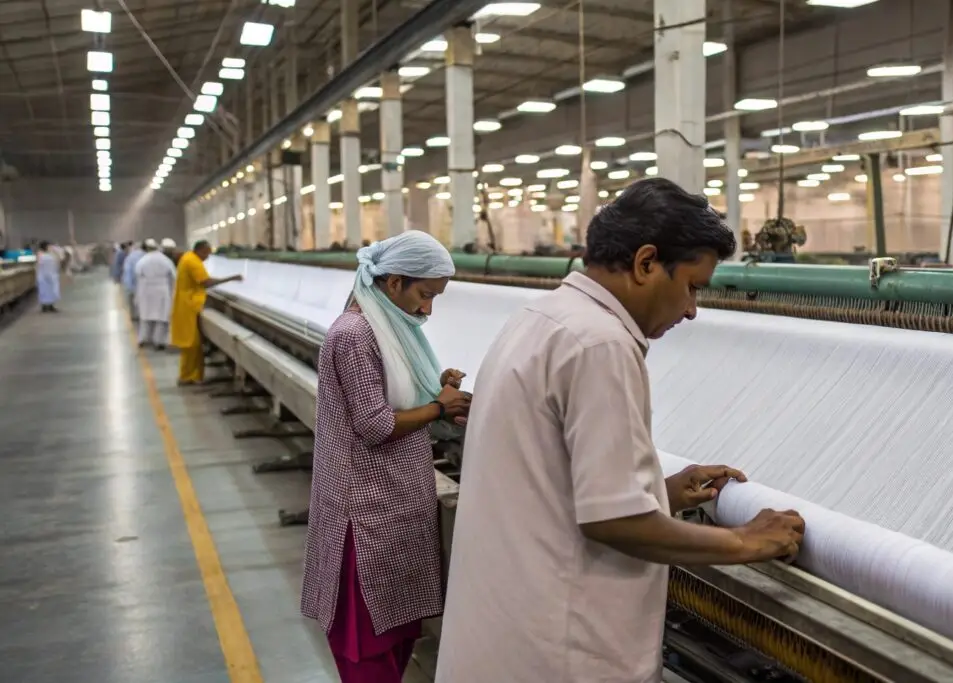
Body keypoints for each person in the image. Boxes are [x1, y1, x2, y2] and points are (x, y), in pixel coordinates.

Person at [435, 179, 806, 683]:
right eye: (692, 286)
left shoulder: (540, 317)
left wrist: (659, 491)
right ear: (646, 263)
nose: (692, 309)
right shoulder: (601, 345)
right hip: (561, 655)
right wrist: (745, 542)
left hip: (506, 638)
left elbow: (547, 484)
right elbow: (615, 521)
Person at [301, 230, 472, 683]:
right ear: (394, 282)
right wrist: (438, 408)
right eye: (425, 294)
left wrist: (438, 390)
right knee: (367, 644)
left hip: (395, 506)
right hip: (365, 515)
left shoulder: (388, 329)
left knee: (394, 635)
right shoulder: (354, 335)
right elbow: (375, 424)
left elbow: (393, 395)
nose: (428, 309)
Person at [169, 240, 241, 385]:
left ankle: (191, 375)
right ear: (200, 250)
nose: (207, 257)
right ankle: (187, 377)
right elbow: (206, 282)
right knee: (191, 344)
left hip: (186, 304)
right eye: (206, 253)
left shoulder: (188, 257)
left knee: (193, 345)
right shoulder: (193, 261)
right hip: (188, 306)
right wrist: (231, 278)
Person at [135, 238, 176, 350]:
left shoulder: (143, 260)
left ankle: (143, 339)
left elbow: (138, 273)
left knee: (145, 316)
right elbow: (173, 276)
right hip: (162, 290)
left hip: (146, 290)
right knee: (161, 317)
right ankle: (159, 341)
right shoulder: (165, 260)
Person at [121, 241, 145, 321]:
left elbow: (127, 272)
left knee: (132, 301)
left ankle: (134, 316)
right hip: (143, 284)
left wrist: (128, 286)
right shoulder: (145, 255)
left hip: (133, 284)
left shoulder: (129, 257)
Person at [35, 240, 61, 313]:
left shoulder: (52, 254)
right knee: (44, 291)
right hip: (43, 275)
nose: (50, 247)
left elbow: (58, 261)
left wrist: (55, 252)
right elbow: (38, 264)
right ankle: (44, 306)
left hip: (52, 275)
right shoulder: (40, 254)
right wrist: (37, 275)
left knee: (52, 291)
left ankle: (51, 306)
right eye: (49, 246)